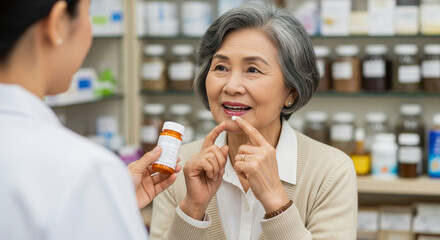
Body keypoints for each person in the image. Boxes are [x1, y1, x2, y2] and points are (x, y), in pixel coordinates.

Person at [150, 3, 357, 240]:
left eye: (253, 70)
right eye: (220, 67)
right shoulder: (178, 166)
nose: (231, 86)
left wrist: (276, 202)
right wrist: (193, 210)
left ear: (292, 91)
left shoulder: (330, 171)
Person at [0, 0, 180, 239]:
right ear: (57, 23)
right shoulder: (86, 170)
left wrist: (112, 198)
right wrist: (103, 195)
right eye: (88, 12)